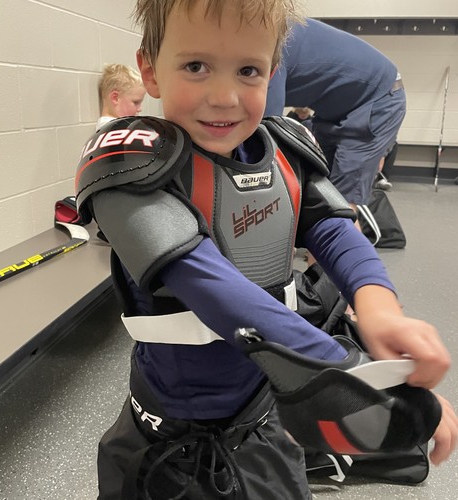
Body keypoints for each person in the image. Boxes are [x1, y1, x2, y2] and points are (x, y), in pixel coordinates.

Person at [75, 1, 457, 499]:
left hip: (262, 421)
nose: (225, 97)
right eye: (196, 66)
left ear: (273, 73)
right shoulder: (129, 168)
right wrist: (353, 376)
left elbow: (334, 229)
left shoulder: (285, 152)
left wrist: (380, 307)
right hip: (168, 437)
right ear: (150, 70)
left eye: (248, 71)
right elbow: (211, 287)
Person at [265, 18, 407, 222]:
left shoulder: (270, 41)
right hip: (335, 109)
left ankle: (342, 240)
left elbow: (265, 128)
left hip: (376, 100)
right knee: (319, 186)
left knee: (340, 205)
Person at [97, 63, 146, 129]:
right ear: (115, 98)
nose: (140, 109)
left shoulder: (119, 126)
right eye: (136, 102)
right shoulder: (112, 129)